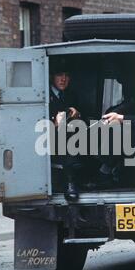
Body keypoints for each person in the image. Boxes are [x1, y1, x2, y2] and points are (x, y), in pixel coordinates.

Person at [50, 63, 82, 201]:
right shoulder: (44, 94)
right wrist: (52, 119)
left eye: (66, 76)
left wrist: (76, 113)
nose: (63, 79)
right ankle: (70, 183)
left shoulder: (71, 94)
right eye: (59, 75)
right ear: (52, 77)